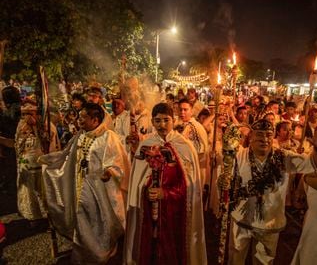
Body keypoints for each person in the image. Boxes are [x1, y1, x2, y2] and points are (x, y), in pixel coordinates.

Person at [220, 119, 317, 264]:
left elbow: (312, 164)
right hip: (241, 219)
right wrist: (223, 181)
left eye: (268, 135)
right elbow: (224, 181)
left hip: (269, 222)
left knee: (263, 261)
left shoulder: (283, 157)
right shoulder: (238, 156)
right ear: (251, 136)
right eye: (259, 134)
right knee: (235, 259)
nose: (264, 139)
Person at [39, 103, 130, 264]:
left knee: (99, 220)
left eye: (83, 117)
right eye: (79, 117)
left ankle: (101, 251)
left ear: (95, 120)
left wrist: (109, 172)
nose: (79, 120)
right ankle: (84, 252)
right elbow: (67, 154)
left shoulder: (108, 137)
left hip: (101, 190)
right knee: (82, 217)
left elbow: (118, 161)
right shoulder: (81, 136)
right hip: (80, 186)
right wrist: (48, 161)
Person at [124, 103, 207, 265]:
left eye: (166, 120)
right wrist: (145, 190)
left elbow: (190, 186)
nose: (162, 125)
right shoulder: (146, 145)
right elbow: (137, 182)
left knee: (173, 252)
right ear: (152, 122)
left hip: (176, 213)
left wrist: (166, 193)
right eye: (157, 121)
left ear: (173, 120)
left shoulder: (185, 146)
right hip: (149, 212)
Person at [14, 101, 60, 222]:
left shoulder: (47, 126)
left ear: (37, 114)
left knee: (43, 192)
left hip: (41, 166)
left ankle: (48, 218)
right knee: (29, 193)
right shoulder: (21, 126)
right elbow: (18, 146)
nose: (26, 117)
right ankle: (32, 217)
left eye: (30, 113)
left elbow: (51, 146)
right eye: (24, 114)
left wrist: (37, 128)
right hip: (26, 166)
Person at [178, 98, 209, 186]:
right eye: (180, 110)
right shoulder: (183, 124)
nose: (182, 112)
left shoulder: (194, 126)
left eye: (185, 110)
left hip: (195, 170)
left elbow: (201, 151)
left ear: (191, 111)